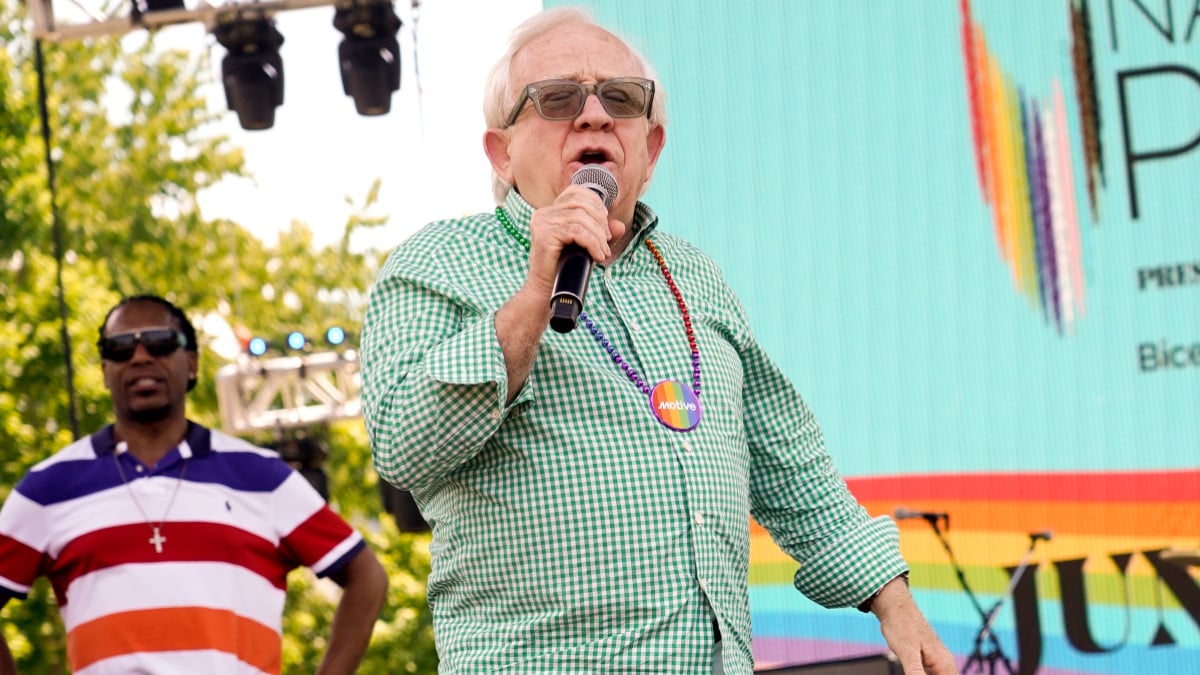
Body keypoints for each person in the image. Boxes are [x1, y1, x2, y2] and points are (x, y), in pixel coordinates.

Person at [360, 6, 957, 674]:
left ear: (652, 148)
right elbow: (404, 442)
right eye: (558, 98)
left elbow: (789, 462)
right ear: (501, 150)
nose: (593, 116)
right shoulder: (437, 263)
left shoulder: (696, 276)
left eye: (620, 98)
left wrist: (895, 602)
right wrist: (534, 294)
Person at [0, 294, 388, 675]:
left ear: (191, 364)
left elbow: (367, 576)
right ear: (104, 370)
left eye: (159, 342)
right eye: (119, 348)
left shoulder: (262, 477)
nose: (139, 357)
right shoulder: (49, 487)